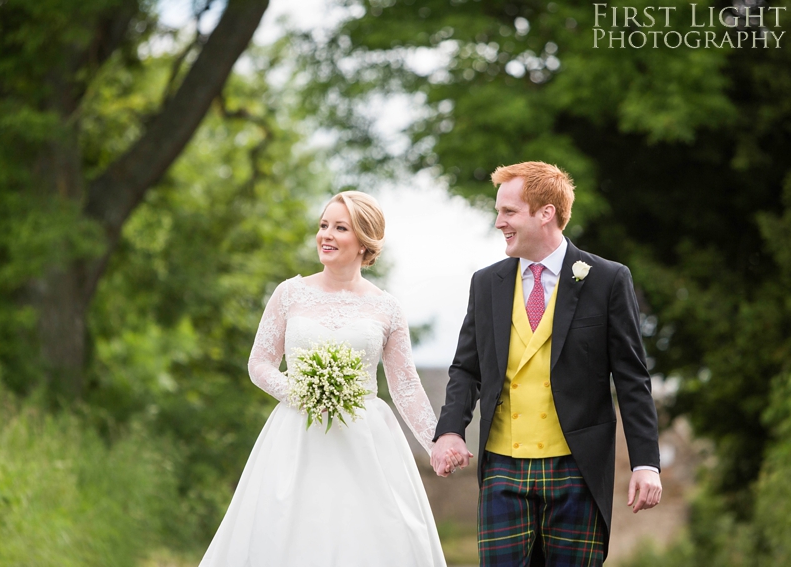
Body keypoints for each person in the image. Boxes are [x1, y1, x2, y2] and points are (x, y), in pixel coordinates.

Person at [198, 191, 455, 567]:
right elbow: (260, 363)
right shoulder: (290, 293)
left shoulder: (387, 307)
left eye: (340, 227)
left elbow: (405, 386)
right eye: (323, 226)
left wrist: (436, 443)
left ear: (364, 240)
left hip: (365, 439)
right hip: (296, 434)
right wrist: (302, 391)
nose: (326, 235)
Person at [430, 162, 662, 566]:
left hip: (578, 468)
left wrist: (646, 463)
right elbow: (467, 369)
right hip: (503, 466)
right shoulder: (486, 283)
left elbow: (631, 378)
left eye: (508, 212)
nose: (498, 222)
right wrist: (450, 431)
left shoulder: (607, 279)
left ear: (546, 213)